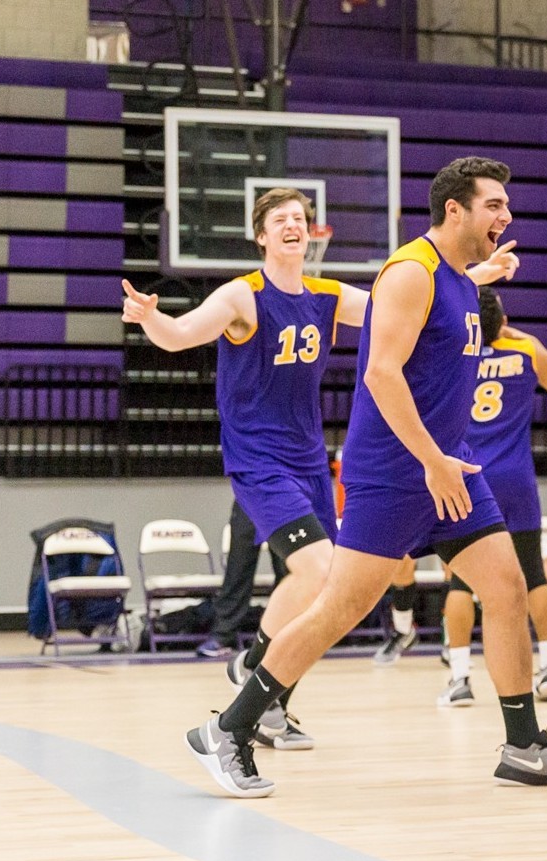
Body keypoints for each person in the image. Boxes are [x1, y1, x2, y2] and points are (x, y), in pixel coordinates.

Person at [184, 157, 547, 798]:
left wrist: (445, 458)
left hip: (449, 467)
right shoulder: (411, 271)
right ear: (455, 210)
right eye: (494, 204)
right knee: (338, 610)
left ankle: (523, 746)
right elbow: (381, 374)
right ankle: (230, 728)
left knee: (507, 586)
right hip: (396, 472)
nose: (507, 215)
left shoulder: (462, 282)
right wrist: (432, 461)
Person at [124, 186, 388, 749]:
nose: (292, 224)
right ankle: (255, 672)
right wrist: (152, 319)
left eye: (300, 218)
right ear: (262, 235)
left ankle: (268, 701)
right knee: (318, 574)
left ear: (310, 233)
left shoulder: (325, 295)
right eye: (280, 219)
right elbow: (180, 335)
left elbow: (398, 304)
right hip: (260, 463)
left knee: (329, 593)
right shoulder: (242, 297)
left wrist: (473, 277)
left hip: (311, 462)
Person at [440, 289, 547, 706]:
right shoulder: (525, 350)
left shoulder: (453, 356)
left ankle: (460, 677)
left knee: (462, 580)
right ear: (503, 319)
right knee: (534, 573)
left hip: (468, 476)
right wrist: (517, 338)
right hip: (515, 478)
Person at [191, 500, 287, 660]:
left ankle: (285, 634)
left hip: (287, 493)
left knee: (288, 572)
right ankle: (222, 636)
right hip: (250, 490)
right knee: (237, 570)